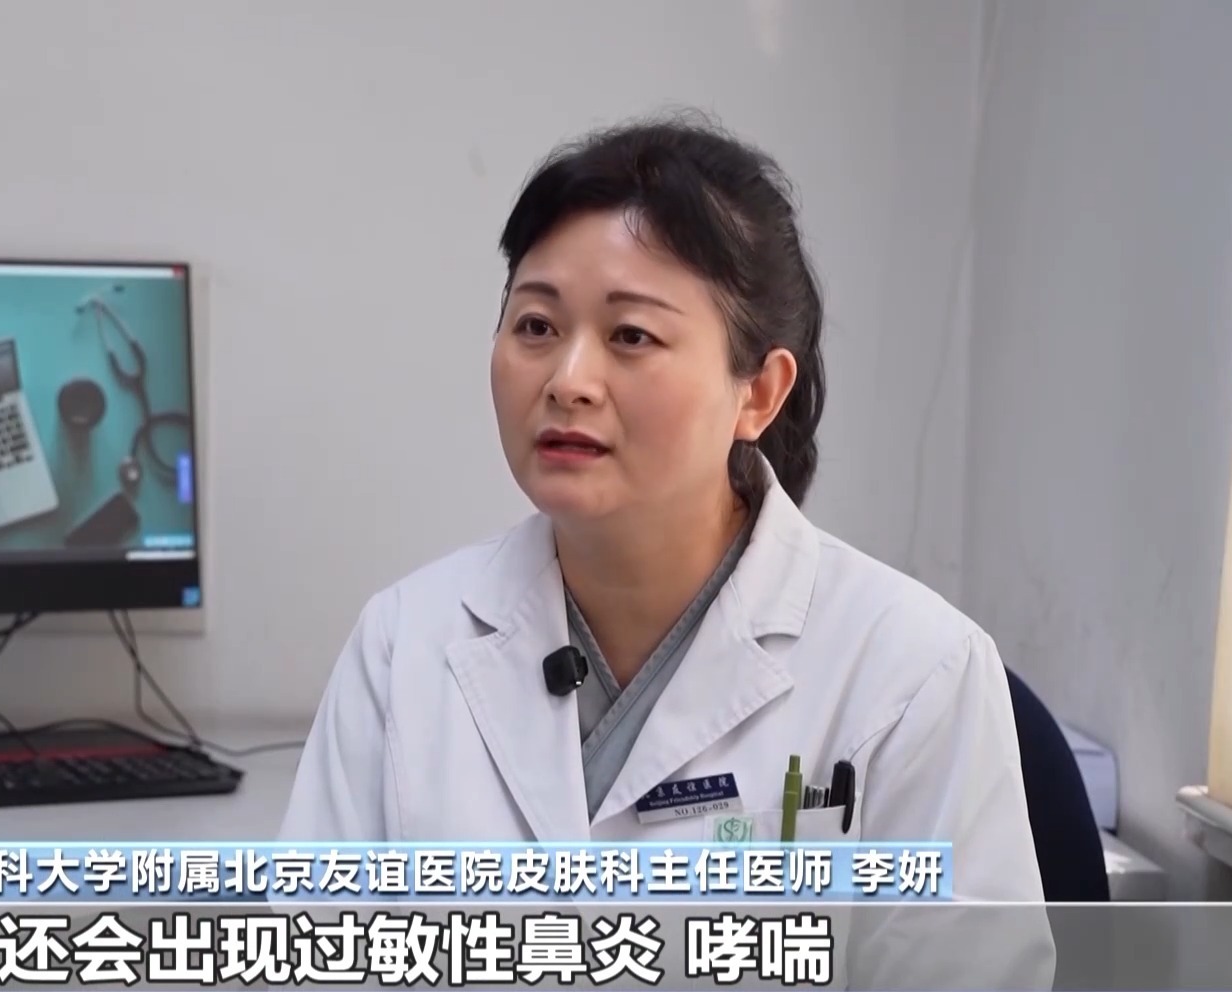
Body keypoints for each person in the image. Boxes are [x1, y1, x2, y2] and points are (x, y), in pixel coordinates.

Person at [279, 114, 1056, 988]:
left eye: (631, 336)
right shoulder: (406, 643)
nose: (567, 380)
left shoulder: (913, 671)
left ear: (757, 392)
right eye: (535, 326)